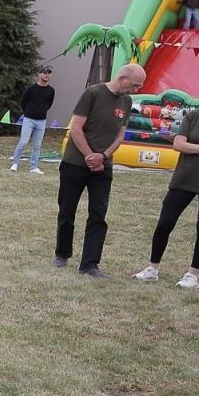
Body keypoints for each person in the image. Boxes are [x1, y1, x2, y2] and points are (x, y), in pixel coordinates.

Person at [133, 77, 199, 289]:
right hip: (183, 179)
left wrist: (196, 147)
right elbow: (179, 145)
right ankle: (152, 268)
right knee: (165, 223)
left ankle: (192, 274)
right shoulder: (194, 115)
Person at [54, 63, 146, 276]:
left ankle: (90, 264)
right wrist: (89, 155)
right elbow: (76, 129)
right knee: (67, 210)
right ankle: (62, 254)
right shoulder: (93, 93)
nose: (136, 90)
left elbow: (120, 135)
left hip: (102, 167)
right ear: (122, 77)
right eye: (134, 85)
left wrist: (102, 157)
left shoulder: (126, 101)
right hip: (75, 163)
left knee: (98, 213)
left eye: (138, 86)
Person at [10, 66, 56, 173]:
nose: (46, 75)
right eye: (44, 73)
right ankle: (15, 163)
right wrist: (28, 112)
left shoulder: (51, 90)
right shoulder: (31, 89)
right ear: (39, 74)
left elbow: (49, 104)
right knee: (23, 142)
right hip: (29, 119)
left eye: (49, 73)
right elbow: (23, 102)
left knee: (37, 145)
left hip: (42, 120)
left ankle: (34, 166)